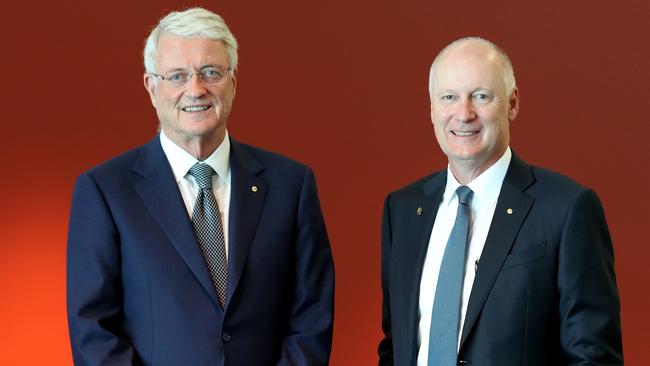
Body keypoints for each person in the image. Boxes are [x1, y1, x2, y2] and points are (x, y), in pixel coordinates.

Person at [67, 7, 334, 366]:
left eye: (211, 72)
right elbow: (93, 330)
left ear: (233, 81)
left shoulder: (292, 185)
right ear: (152, 86)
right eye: (177, 76)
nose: (196, 89)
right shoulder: (104, 191)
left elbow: (312, 318)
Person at [378, 37, 623, 365]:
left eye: (481, 96)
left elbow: (592, 357)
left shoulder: (567, 209)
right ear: (432, 109)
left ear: (512, 103)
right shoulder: (403, 210)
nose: (464, 114)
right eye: (449, 97)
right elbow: (395, 346)